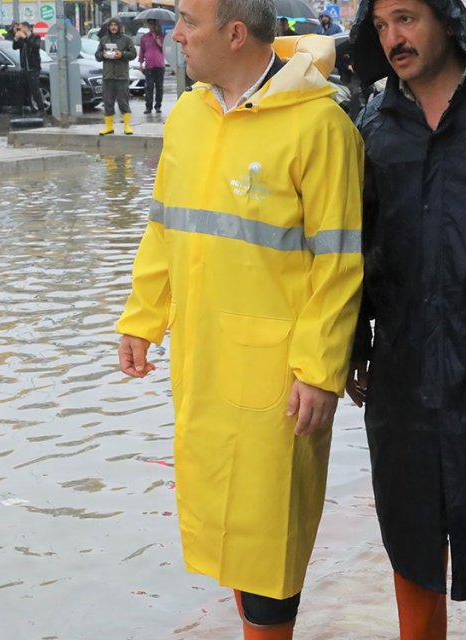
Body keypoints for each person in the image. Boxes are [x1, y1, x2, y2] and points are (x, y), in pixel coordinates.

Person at [116, 0, 365, 627]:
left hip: (278, 373)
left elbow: (338, 262)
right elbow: (163, 229)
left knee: (267, 541)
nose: (175, 36)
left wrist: (318, 368)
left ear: (234, 33)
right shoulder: (188, 118)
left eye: (187, 23)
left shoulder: (319, 126)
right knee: (222, 530)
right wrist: (143, 318)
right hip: (203, 358)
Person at [345, 0, 466, 637]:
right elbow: (358, 245)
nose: (393, 38)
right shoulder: (375, 122)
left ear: (446, 19)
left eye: (406, 19)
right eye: (380, 28)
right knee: (412, 542)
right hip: (403, 374)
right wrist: (355, 343)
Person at [95, 17, 137, 134]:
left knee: (123, 102)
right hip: (108, 76)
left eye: (115, 25)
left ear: (119, 27)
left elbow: (133, 54)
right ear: (108, 27)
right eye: (111, 25)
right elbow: (97, 56)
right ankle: (109, 126)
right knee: (108, 102)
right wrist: (103, 54)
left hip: (122, 76)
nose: (113, 27)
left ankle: (127, 126)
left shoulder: (126, 40)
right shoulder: (104, 40)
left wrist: (122, 54)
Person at [12, 22, 46, 114]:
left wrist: (25, 38)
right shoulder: (23, 40)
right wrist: (16, 38)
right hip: (24, 68)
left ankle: (41, 109)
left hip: (33, 68)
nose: (20, 30)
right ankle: (18, 109)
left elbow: (35, 47)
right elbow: (15, 47)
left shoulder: (35, 38)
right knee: (20, 89)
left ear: (26, 28)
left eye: (21, 28)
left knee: (35, 90)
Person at [138, 19, 167, 114]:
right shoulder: (144, 37)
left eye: (154, 24)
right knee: (149, 87)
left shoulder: (162, 36)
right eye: (150, 24)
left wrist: (159, 43)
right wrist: (141, 63)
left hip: (159, 65)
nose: (152, 26)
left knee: (159, 87)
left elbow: (166, 50)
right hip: (149, 65)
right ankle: (148, 107)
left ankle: (158, 106)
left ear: (157, 25)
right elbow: (142, 51)